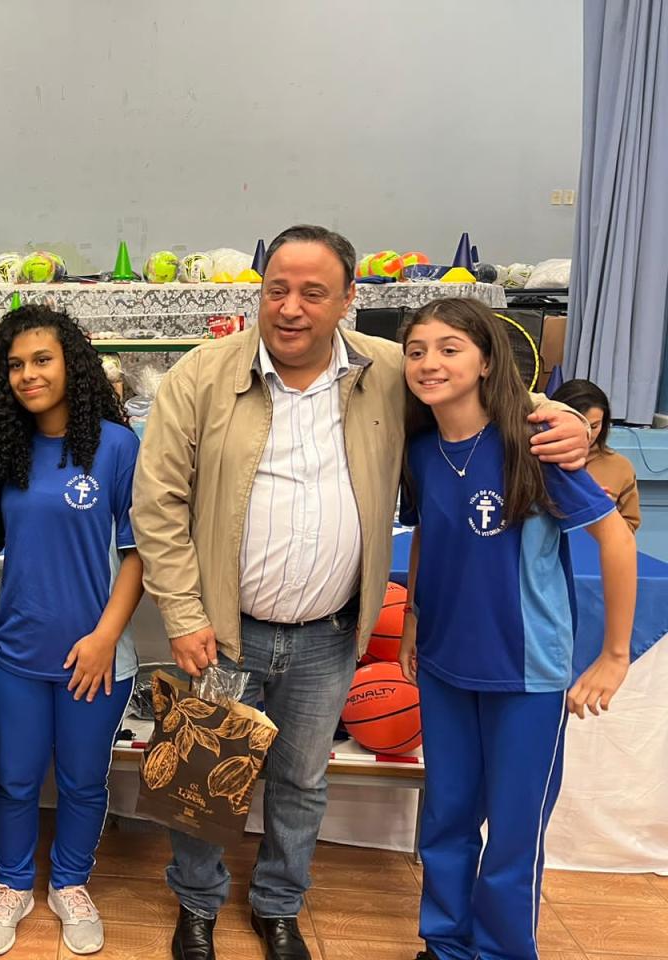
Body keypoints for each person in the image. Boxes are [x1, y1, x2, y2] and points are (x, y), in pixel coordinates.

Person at [129, 224, 593, 960]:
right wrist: (183, 616)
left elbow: (477, 377)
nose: (290, 307)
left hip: (328, 631)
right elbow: (157, 504)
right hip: (221, 628)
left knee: (302, 780)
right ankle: (197, 905)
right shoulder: (202, 375)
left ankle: (279, 905)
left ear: (349, 299)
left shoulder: (388, 368)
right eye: (277, 289)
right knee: (203, 772)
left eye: (313, 292)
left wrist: (559, 415)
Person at [397, 298, 634, 960]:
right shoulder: (420, 450)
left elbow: (615, 538)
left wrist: (615, 654)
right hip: (445, 663)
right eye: (416, 350)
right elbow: (427, 534)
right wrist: (414, 618)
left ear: (486, 362)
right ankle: (445, 945)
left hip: (526, 672)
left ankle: (501, 951)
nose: (429, 362)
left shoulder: (535, 446)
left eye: (450, 348)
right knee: (445, 818)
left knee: (513, 833)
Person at [0, 305, 144, 956]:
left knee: (82, 781)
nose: (28, 375)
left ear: (72, 362)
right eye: (15, 365)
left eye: (42, 360)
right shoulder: (4, 447)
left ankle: (70, 882)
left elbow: (139, 553)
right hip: (15, 650)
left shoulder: (117, 446)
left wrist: (104, 638)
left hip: (95, 655)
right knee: (16, 779)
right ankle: (13, 884)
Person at [551, 378, 640, 532]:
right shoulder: (534, 459)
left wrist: (606, 511)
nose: (586, 434)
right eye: (579, 425)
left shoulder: (620, 467)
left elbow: (629, 529)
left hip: (595, 546)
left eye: (594, 426)